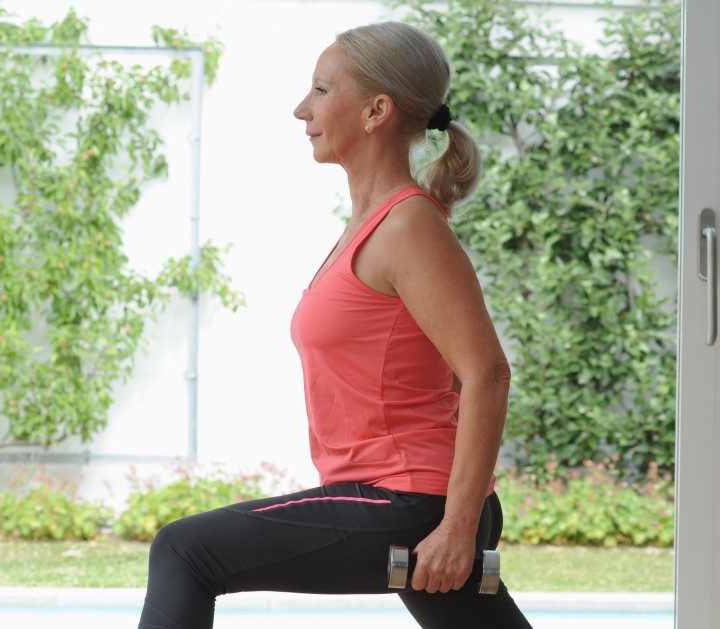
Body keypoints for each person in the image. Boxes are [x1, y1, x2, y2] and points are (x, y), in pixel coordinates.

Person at [137, 21, 533, 629]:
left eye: (322, 90)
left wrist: (456, 524)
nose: (302, 109)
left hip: (406, 505)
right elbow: (442, 376)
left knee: (184, 551)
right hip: (407, 498)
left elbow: (486, 373)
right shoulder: (372, 226)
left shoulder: (408, 228)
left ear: (377, 110)